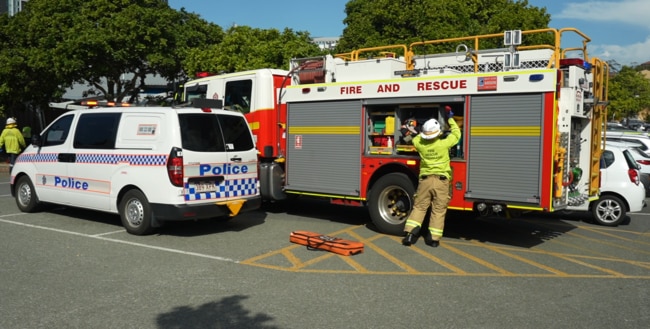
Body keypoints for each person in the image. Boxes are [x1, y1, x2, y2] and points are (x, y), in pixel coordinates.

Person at [402, 106, 461, 247]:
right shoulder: (444, 143)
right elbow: (457, 134)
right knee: (438, 209)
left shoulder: (420, 144)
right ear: (438, 133)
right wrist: (450, 118)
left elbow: (410, 138)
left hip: (425, 181)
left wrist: (405, 129)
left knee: (420, 207)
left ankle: (410, 235)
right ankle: (433, 239)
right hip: (441, 181)